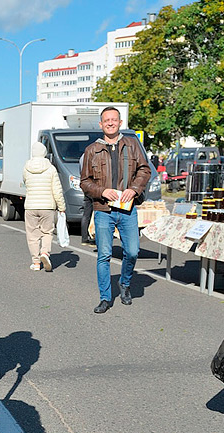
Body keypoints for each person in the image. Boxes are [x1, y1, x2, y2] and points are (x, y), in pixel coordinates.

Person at [79, 106, 151, 314]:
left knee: (132, 251)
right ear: (100, 124)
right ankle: (105, 297)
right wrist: (102, 191)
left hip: (127, 209)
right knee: (104, 255)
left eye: (114, 119)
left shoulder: (132, 144)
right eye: (106, 120)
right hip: (103, 210)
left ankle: (125, 283)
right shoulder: (92, 150)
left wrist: (134, 189)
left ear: (120, 123)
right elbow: (85, 182)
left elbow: (144, 170)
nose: (110, 123)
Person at [23, 141, 66, 272]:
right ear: (44, 153)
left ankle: (35, 263)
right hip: (47, 206)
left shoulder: (26, 167)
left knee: (32, 235)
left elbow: (26, 183)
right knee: (47, 232)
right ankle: (45, 253)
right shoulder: (51, 168)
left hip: (30, 206)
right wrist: (61, 206)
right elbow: (57, 190)